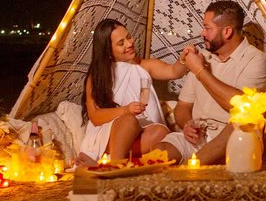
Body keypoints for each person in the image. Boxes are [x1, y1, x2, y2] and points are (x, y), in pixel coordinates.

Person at [156, 0, 266, 164]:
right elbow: (183, 106)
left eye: (208, 28)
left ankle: (191, 168)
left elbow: (241, 106)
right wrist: (187, 124)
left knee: (242, 120)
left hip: (233, 139)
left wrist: (200, 71)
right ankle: (185, 170)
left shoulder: (256, 61)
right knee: (160, 152)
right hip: (199, 137)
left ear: (227, 32)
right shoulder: (203, 57)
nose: (202, 33)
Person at [79, 19, 188, 164]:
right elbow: (95, 116)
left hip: (138, 134)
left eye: (129, 37)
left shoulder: (143, 65)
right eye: (121, 43)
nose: (129, 44)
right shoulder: (97, 76)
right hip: (108, 135)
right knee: (128, 120)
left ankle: (118, 160)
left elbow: (174, 72)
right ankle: (115, 165)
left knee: (161, 132)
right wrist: (126, 110)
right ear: (108, 50)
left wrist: (183, 59)